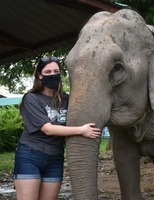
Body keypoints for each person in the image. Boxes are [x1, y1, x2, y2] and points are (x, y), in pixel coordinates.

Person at [13, 56, 101, 200]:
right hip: (30, 156)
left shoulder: (67, 99)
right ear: (39, 75)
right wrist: (81, 130)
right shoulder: (31, 98)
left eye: (56, 71)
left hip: (55, 159)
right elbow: (48, 129)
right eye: (48, 72)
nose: (53, 75)